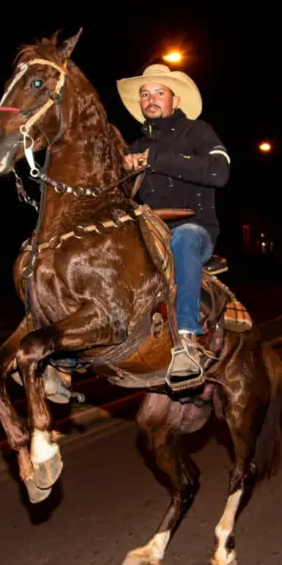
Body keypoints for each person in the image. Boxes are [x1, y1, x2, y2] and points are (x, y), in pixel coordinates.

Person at [116, 63, 231, 387]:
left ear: (175, 101)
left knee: (182, 238)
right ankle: (73, 353)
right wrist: (122, 172)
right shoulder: (133, 147)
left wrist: (154, 160)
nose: (150, 99)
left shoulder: (199, 132)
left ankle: (186, 342)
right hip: (149, 234)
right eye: (144, 94)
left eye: (159, 93)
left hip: (195, 231)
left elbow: (218, 172)